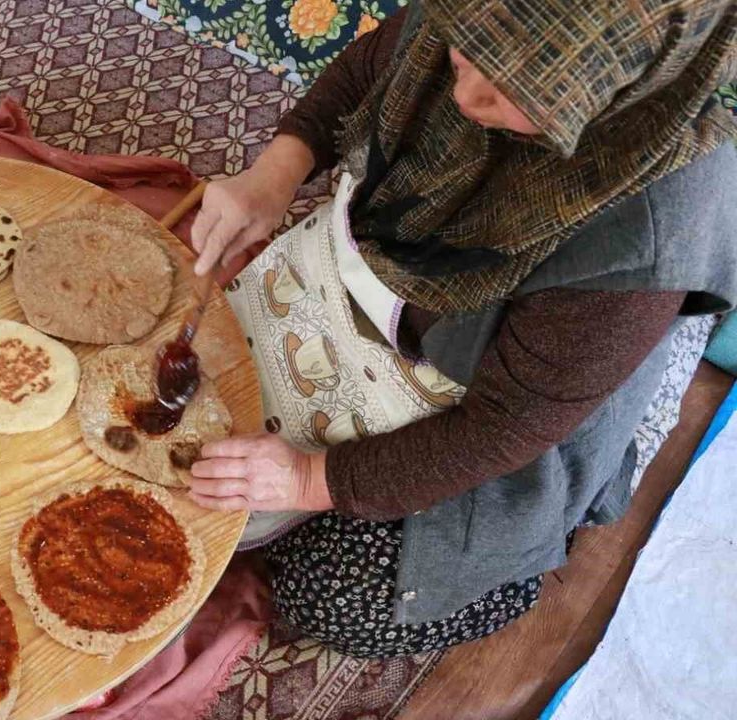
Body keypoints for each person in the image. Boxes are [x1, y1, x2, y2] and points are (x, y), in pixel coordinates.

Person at [186, 0, 737, 657]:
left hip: (504, 411)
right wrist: (274, 173)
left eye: (519, 92)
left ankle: (521, 562)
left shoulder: (644, 235)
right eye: (465, 52)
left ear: (608, 94)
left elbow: (504, 428)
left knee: (334, 595)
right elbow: (368, 69)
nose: (465, 95)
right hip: (375, 297)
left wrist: (308, 480)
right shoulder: (478, 20)